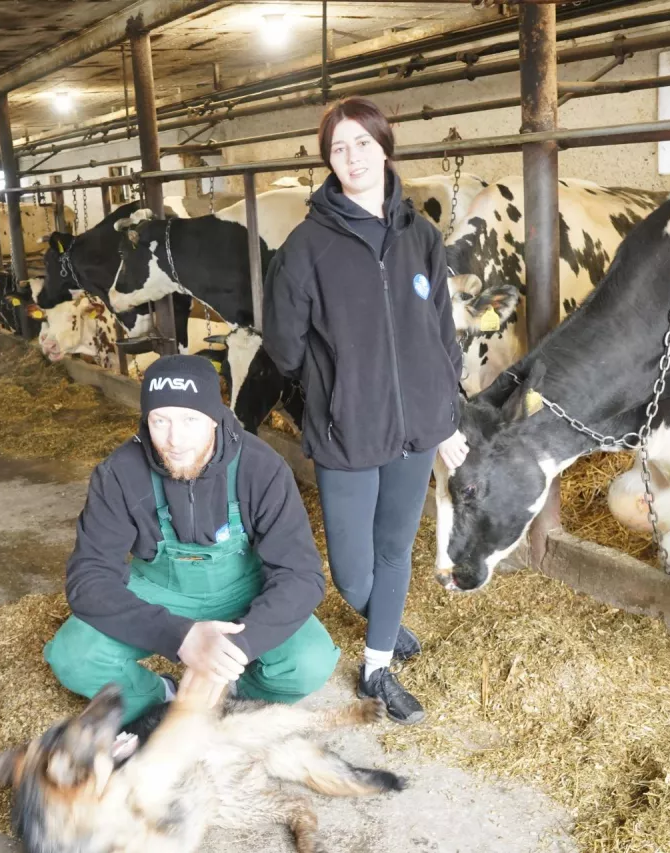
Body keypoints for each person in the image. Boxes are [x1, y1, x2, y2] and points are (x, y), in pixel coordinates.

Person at [262, 96, 470, 725]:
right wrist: (335, 389)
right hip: (346, 430)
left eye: (362, 143)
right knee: (352, 575)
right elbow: (283, 346)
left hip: (414, 433)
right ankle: (383, 614)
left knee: (393, 550)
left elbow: (441, 337)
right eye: (338, 148)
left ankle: (377, 666)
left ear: (385, 147)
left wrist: (444, 421)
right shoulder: (305, 247)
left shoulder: (422, 236)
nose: (352, 157)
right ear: (328, 160)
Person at [44, 354, 340, 727]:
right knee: (73, 657)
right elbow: (89, 578)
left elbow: (301, 574)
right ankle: (160, 702)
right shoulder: (119, 474)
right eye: (160, 420)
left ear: (214, 416)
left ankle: (233, 698)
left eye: (190, 420)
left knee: (308, 663)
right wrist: (179, 636)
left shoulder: (261, 467)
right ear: (145, 419)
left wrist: (236, 649)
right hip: (158, 590)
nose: (175, 439)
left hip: (242, 592)